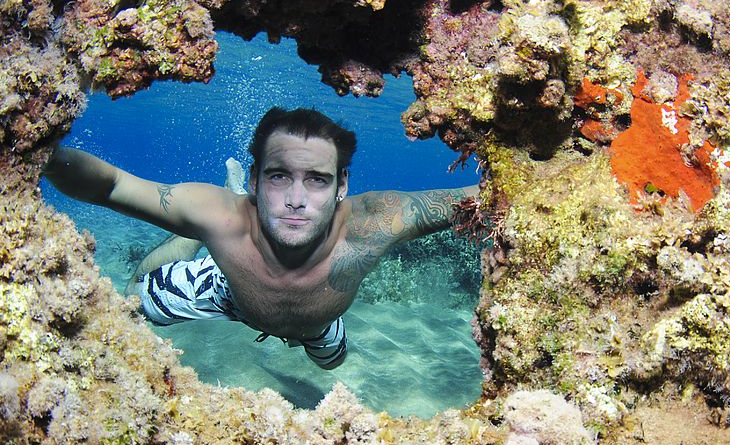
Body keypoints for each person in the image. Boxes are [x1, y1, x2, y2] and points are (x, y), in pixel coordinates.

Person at [43, 107, 479, 369]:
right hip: (227, 290)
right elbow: (112, 186)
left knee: (334, 363)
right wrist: (36, 150)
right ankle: (194, 243)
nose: (295, 199)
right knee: (135, 302)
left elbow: (488, 196)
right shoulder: (219, 215)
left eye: (317, 180)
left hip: (317, 322)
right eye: (278, 176)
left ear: (342, 185)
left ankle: (202, 241)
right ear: (255, 180)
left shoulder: (374, 223)